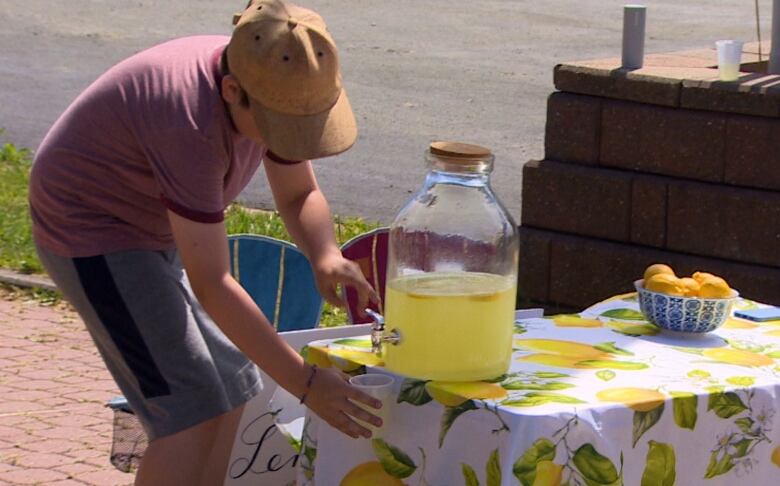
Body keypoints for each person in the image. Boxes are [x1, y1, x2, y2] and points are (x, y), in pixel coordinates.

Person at [27, 0, 382, 484]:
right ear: (233, 91)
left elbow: (299, 192)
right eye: (285, 129)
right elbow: (213, 282)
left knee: (236, 386)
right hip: (92, 232)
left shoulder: (273, 81)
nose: (292, 140)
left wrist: (324, 254)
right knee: (187, 410)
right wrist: (305, 383)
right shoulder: (188, 124)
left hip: (150, 224)